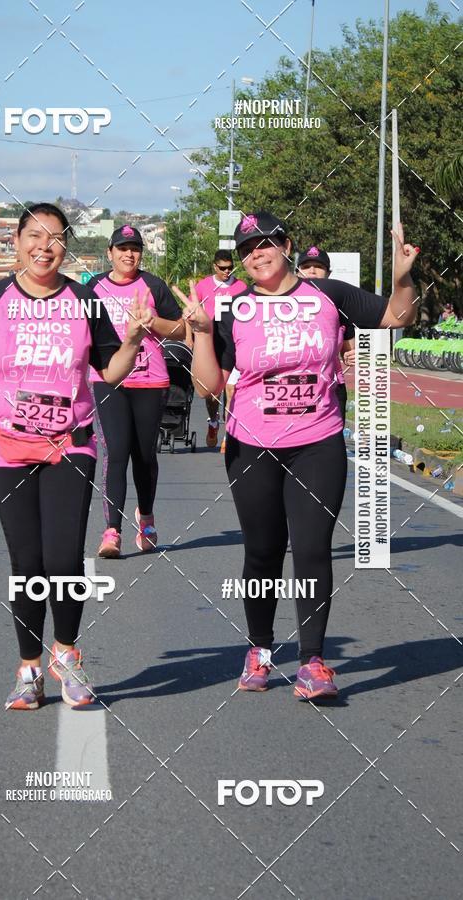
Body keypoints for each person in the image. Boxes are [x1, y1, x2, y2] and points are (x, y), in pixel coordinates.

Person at [0, 203, 152, 710]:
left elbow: (114, 371)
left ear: (66, 245)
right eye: (33, 236)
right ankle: (29, 670)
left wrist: (134, 338)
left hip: (71, 444)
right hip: (4, 445)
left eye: (55, 237)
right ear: (15, 243)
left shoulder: (85, 301)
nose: (44, 246)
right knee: (28, 562)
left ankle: (67, 655)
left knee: (63, 559)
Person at [177, 211, 418, 700]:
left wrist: (402, 278)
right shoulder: (233, 309)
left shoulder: (329, 295)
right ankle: (260, 652)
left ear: (286, 244)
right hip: (253, 445)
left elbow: (397, 316)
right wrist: (201, 331)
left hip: (318, 440)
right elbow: (208, 386)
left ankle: (312, 662)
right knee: (263, 552)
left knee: (311, 549)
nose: (256, 255)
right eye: (246, 250)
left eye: (264, 244)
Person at [88, 225, 185, 559]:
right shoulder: (94, 287)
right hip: (108, 381)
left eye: (135, 248)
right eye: (122, 248)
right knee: (116, 452)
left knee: (144, 456)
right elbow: (79, 332)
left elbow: (180, 329)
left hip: (150, 380)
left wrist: (152, 323)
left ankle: (146, 518)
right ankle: (111, 531)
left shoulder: (153, 286)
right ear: (110, 253)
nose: (129, 254)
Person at [187, 250, 247, 447]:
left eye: (230, 268)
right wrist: (190, 339)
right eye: (222, 268)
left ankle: (228, 434)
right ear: (214, 267)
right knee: (212, 393)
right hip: (211, 346)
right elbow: (190, 313)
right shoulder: (203, 286)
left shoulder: (241, 287)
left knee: (231, 390)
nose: (227, 271)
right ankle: (213, 422)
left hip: (233, 345)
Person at [297, 246, 355, 423]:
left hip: (332, 387)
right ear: (297, 272)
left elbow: (348, 350)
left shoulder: (340, 307)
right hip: (292, 388)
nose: (312, 271)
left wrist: (350, 355)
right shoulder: (281, 303)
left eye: (318, 267)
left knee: (330, 447)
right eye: (306, 266)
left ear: (328, 273)